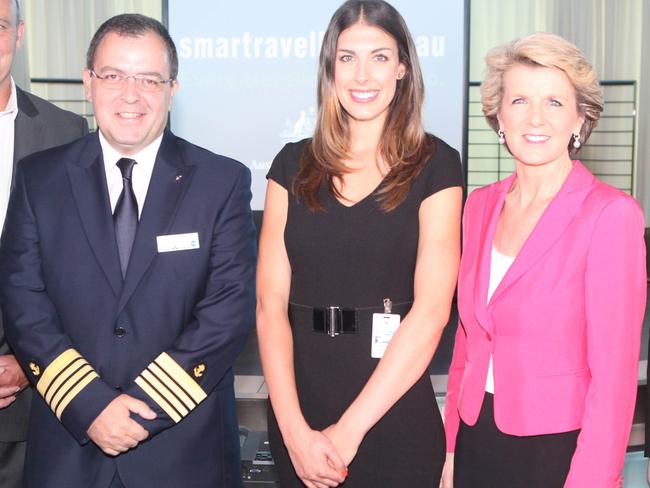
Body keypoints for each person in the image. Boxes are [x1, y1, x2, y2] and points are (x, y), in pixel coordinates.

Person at [0, 13, 256, 488]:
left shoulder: (221, 182)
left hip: (184, 452)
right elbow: (23, 304)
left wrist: (140, 412)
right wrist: (91, 406)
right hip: (68, 450)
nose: (131, 94)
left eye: (149, 79)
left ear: (173, 89)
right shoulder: (39, 179)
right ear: (88, 82)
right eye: (114, 75)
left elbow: (228, 313)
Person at [256, 1, 463, 486]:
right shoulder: (290, 165)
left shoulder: (438, 165)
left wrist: (348, 432)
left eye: (380, 56)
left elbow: (432, 312)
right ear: (330, 67)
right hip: (299, 409)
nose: (362, 74)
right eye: (347, 57)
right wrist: (293, 432)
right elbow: (269, 305)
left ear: (403, 68)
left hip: (391, 408)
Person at [441, 33, 646, 488]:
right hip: (476, 437)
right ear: (499, 115)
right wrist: (451, 448)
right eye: (519, 100)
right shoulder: (479, 206)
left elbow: (614, 379)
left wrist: (592, 480)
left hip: (559, 451)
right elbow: (468, 341)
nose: (535, 118)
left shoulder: (610, 216)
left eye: (554, 102)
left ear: (580, 117)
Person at [0, 0, 88, 485]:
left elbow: (80, 270)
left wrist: (27, 363)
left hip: (33, 396)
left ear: (19, 34)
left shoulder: (65, 133)